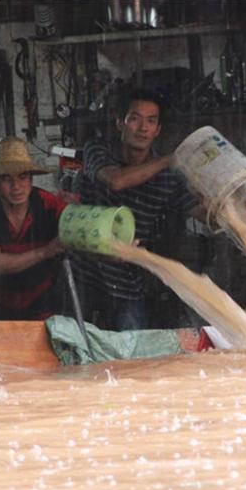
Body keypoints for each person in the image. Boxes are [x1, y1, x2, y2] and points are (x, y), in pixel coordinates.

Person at [72, 88, 205, 331]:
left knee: (133, 349)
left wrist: (234, 205)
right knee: (72, 343)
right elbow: (116, 181)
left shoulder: (168, 177)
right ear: (120, 123)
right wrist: (167, 160)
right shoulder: (98, 150)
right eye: (135, 119)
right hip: (85, 273)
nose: (143, 128)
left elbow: (202, 213)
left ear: (158, 130)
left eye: (151, 121)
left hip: (126, 280)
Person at [0, 137, 67, 320]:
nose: (16, 187)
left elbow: (78, 232)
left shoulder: (49, 204)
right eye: (6, 178)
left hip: (42, 301)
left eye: (22, 177)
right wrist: (46, 252)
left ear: (31, 178)